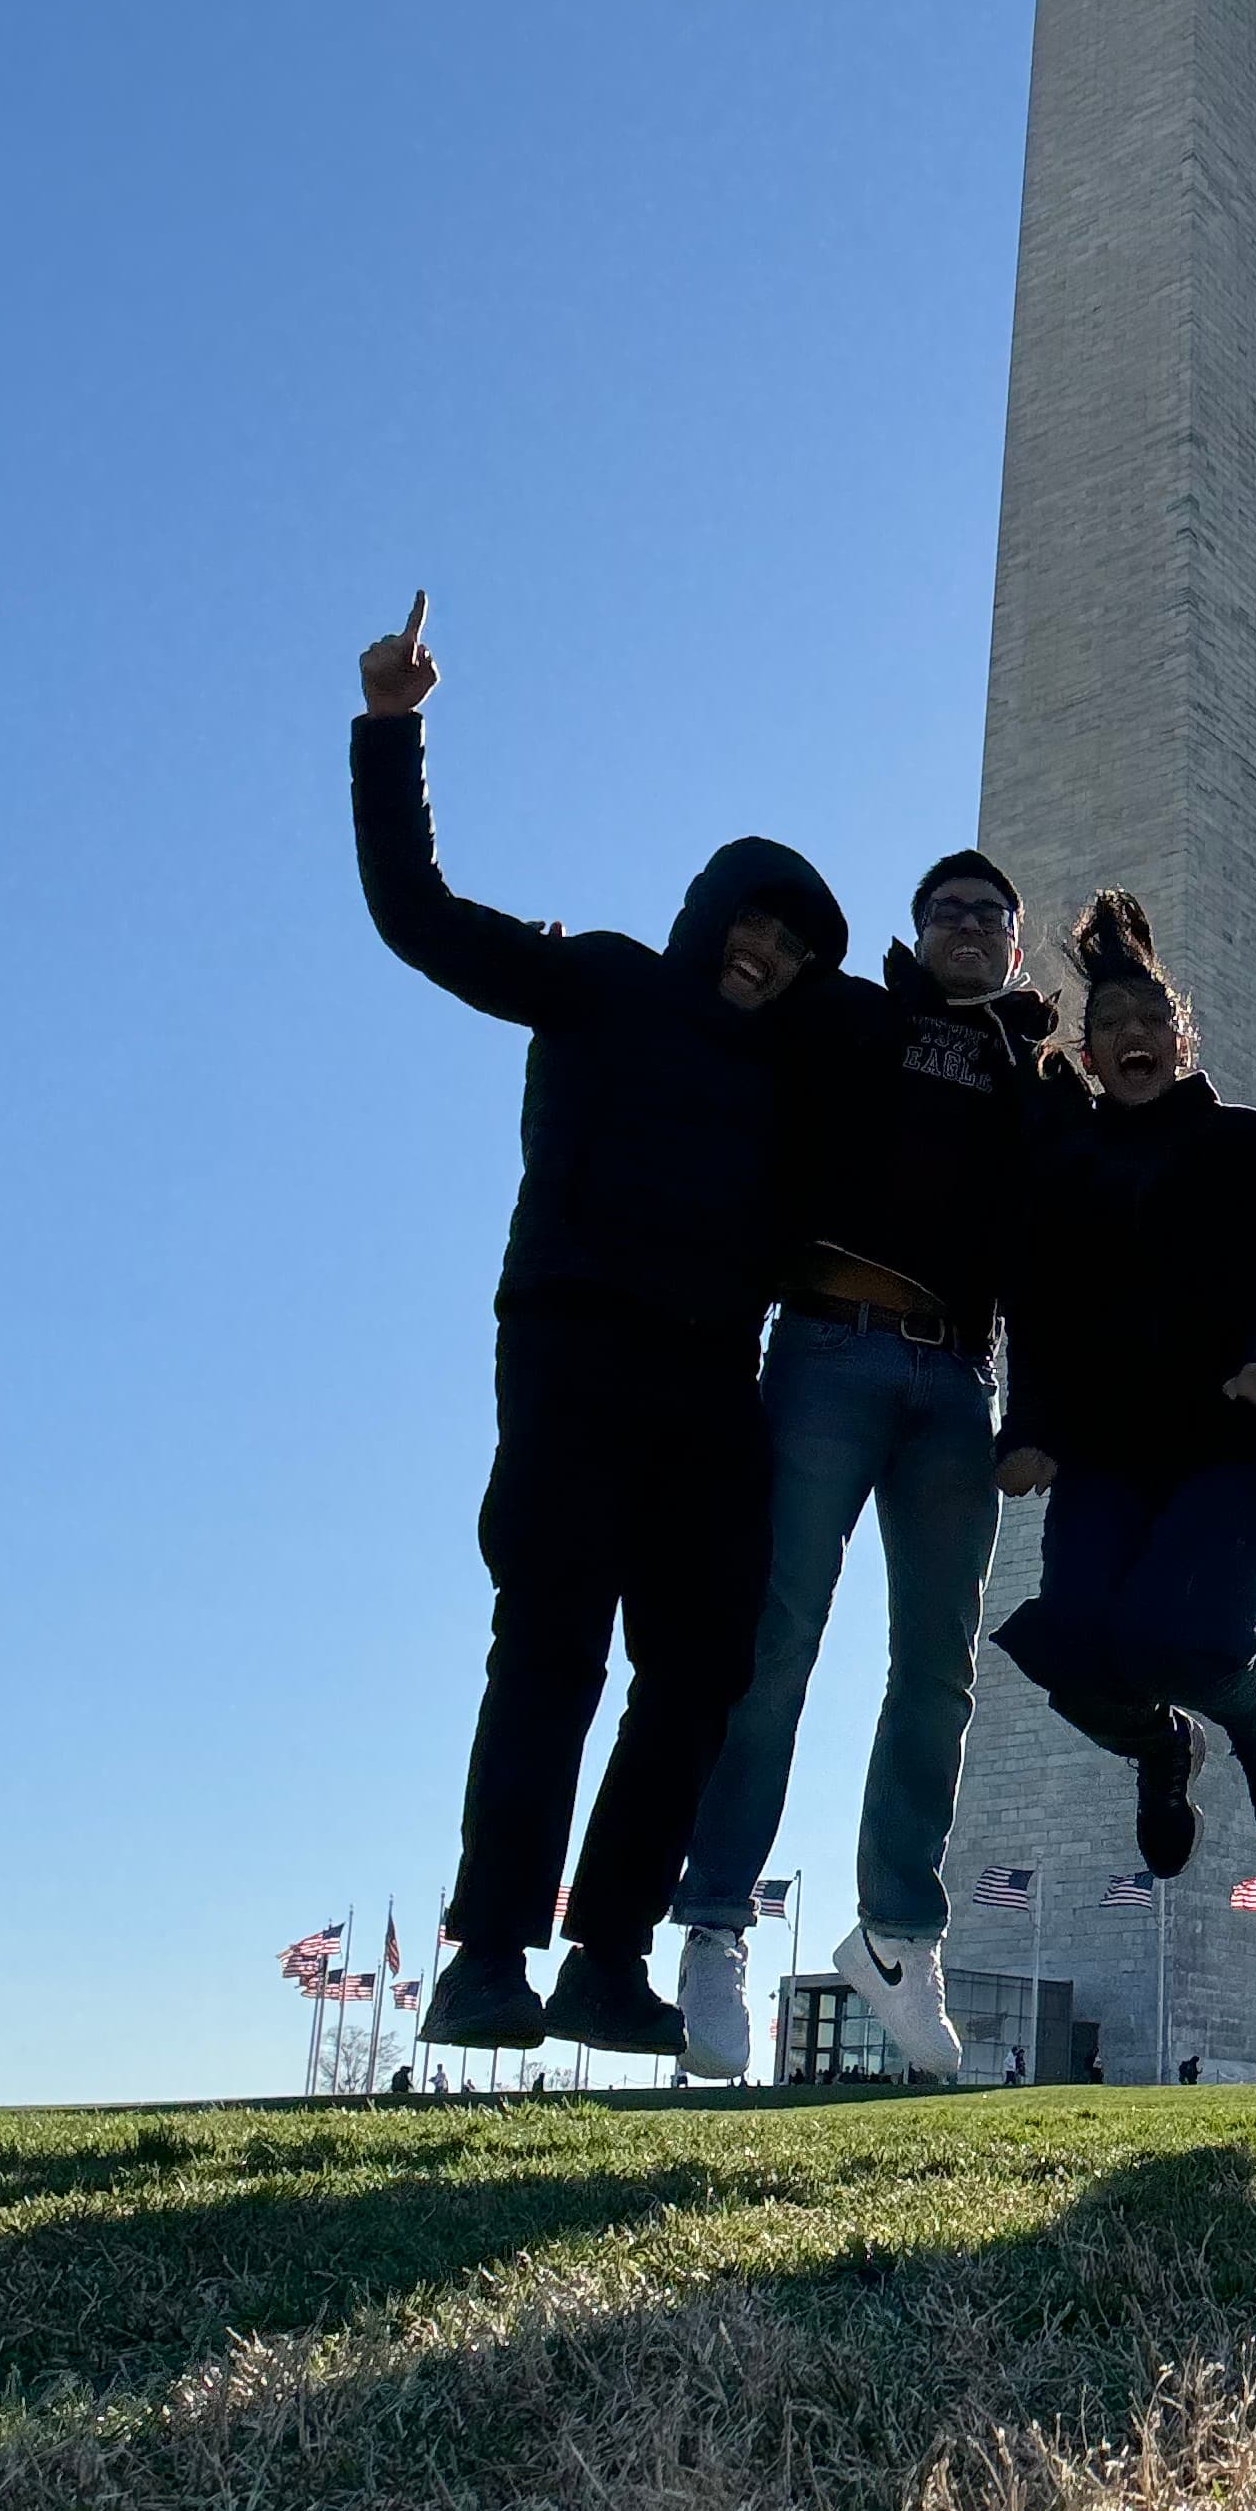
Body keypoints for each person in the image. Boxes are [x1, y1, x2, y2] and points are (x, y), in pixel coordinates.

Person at [351, 596, 847, 2066]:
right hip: (573, 1350)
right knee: (550, 1647)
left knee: (700, 1671)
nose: (766, 951)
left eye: (793, 944)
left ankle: (607, 1953)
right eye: (754, 920)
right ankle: (489, 1954)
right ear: (710, 913)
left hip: (713, 1382)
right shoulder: (601, 979)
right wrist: (393, 731)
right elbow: (418, 919)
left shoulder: (791, 1083)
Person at [672, 850, 1066, 2087]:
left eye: (989, 917)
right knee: (776, 1641)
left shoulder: (1029, 1072)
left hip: (959, 1384)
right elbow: (722, 1030)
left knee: (937, 1669)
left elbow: (1068, 1240)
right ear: (916, 929)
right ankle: (716, 1926)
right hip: (828, 1355)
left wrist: (1035, 1415)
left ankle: (899, 1934)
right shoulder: (847, 1012)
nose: (966, 928)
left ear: (1013, 944)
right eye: (946, 910)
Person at [986, 895, 1256, 1880]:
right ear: (1086, 1054)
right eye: (1111, 1027)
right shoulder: (1065, 1167)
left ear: (1181, 1039)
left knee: (1180, 1640)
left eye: (1152, 1022)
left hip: (1234, 1444)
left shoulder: (1244, 1141)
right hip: (1108, 1457)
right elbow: (1040, 1319)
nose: (1134, 1036)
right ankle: (1162, 1748)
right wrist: (1029, 1429)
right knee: (1077, 1649)